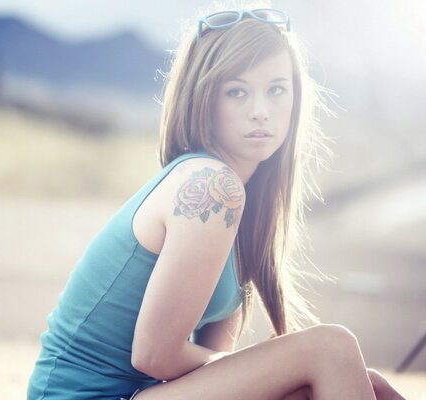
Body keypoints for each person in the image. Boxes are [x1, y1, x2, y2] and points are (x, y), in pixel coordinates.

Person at [27, 2, 406, 399]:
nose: (260, 111)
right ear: (205, 97)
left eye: (276, 89)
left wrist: (289, 373)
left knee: (363, 384)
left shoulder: (248, 209)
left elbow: (216, 362)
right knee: (330, 348)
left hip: (145, 394)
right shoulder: (211, 186)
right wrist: (288, 362)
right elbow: (154, 356)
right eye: (237, 91)